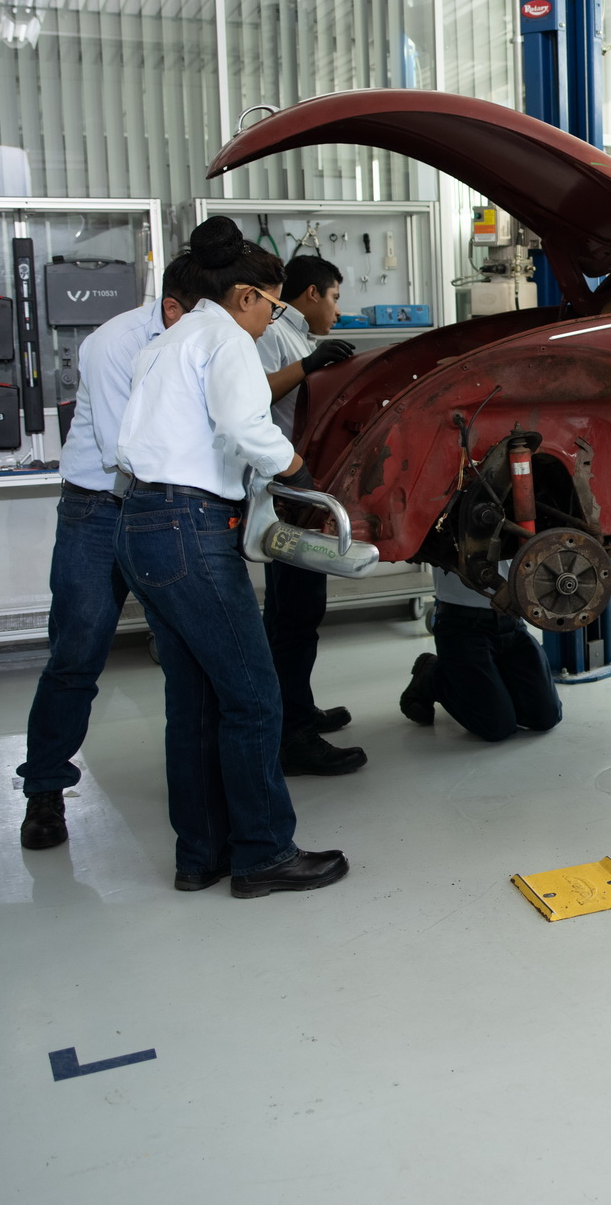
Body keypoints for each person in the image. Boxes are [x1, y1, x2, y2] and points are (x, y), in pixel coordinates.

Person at [114, 217, 347, 897]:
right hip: (191, 529)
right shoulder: (225, 338)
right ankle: (264, 854)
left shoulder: (169, 341)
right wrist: (300, 469)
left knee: (194, 701)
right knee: (253, 696)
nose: (272, 317)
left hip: (142, 523)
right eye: (273, 305)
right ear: (245, 295)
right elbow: (246, 426)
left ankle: (201, 853)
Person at [16, 257, 200, 850]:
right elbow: (128, 448)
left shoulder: (200, 339)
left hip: (168, 503)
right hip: (100, 509)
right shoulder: (113, 343)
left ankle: (199, 790)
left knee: (188, 656)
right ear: (174, 308)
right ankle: (44, 788)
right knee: (77, 652)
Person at [254, 253, 362, 777]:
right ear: (313, 294)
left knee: (295, 614)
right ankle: (290, 733)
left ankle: (296, 709)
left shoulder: (295, 338)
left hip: (300, 489)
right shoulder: (275, 335)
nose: (338, 311)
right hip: (288, 493)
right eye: (336, 297)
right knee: (294, 615)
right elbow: (256, 403)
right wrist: (310, 367)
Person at [399, 567, 562, 742]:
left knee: (546, 716)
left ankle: (491, 685)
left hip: (512, 622)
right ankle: (430, 674)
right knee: (496, 726)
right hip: (461, 625)